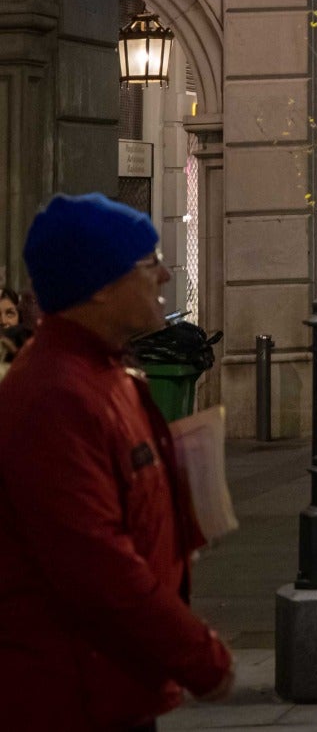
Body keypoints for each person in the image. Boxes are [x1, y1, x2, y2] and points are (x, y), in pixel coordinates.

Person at [0, 193, 234, 730]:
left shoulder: (102, 375)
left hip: (112, 684)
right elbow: (97, 568)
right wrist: (199, 656)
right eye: (148, 263)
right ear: (102, 285)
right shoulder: (56, 396)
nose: (166, 276)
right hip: (68, 695)